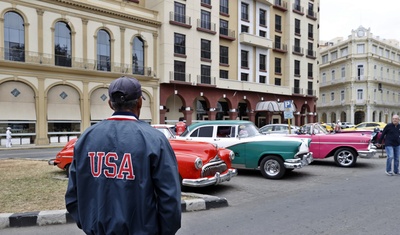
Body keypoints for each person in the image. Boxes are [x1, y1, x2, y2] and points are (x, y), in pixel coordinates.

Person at [65, 76, 181, 234]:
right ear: (140, 102)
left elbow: (73, 195)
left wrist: (89, 225)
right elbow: (169, 197)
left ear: (110, 104)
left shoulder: (86, 137)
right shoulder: (155, 139)